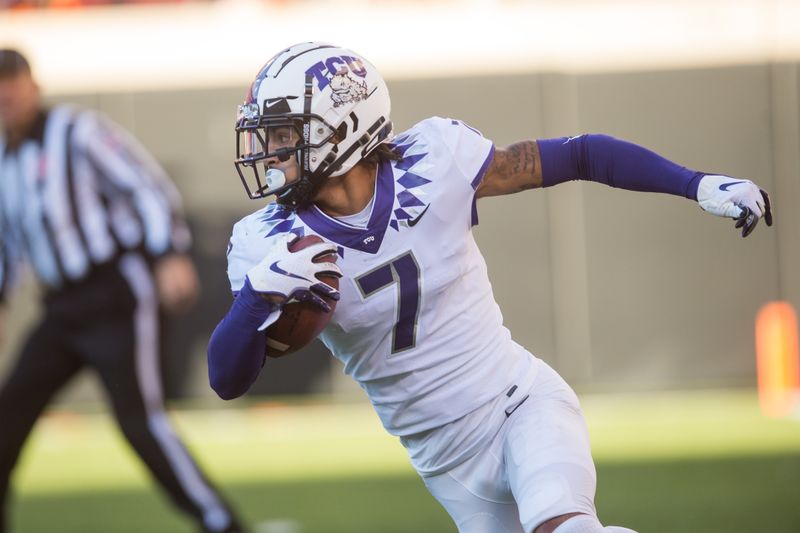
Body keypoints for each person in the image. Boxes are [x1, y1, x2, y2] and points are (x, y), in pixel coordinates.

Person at [207, 42, 772, 533]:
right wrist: (258, 296)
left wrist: (694, 184)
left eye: (288, 134)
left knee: (566, 527)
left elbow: (579, 154)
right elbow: (226, 380)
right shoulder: (267, 242)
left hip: (518, 404)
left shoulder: (435, 159)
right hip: (443, 461)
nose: (272, 152)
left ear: (347, 128)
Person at [0, 49, 245, 533]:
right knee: (8, 416)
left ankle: (223, 525)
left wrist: (169, 253)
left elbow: (146, 187)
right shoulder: (4, 159)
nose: (6, 94)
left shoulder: (78, 132)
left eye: (13, 82)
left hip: (115, 293)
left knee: (140, 422)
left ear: (34, 86)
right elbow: (7, 238)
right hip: (61, 307)